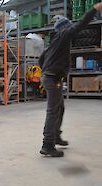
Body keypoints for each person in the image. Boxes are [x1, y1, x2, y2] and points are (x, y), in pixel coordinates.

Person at [39, 2, 102, 157]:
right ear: (65, 27)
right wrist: (95, 9)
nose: (71, 30)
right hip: (53, 78)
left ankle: (56, 136)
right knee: (53, 111)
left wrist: (46, 70)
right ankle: (47, 145)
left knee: (60, 108)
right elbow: (81, 25)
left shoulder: (55, 41)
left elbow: (42, 59)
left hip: (51, 77)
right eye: (69, 27)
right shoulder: (64, 34)